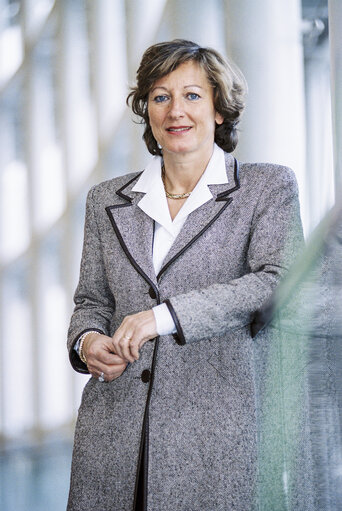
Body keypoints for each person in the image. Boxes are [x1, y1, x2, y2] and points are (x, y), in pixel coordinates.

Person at [67, 39, 304, 511]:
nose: (176, 110)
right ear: (147, 112)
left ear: (219, 109)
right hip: (113, 445)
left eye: (193, 95)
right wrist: (87, 343)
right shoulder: (106, 200)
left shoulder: (266, 187)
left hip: (218, 440)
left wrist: (164, 316)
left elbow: (277, 280)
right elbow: (91, 302)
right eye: (160, 96)